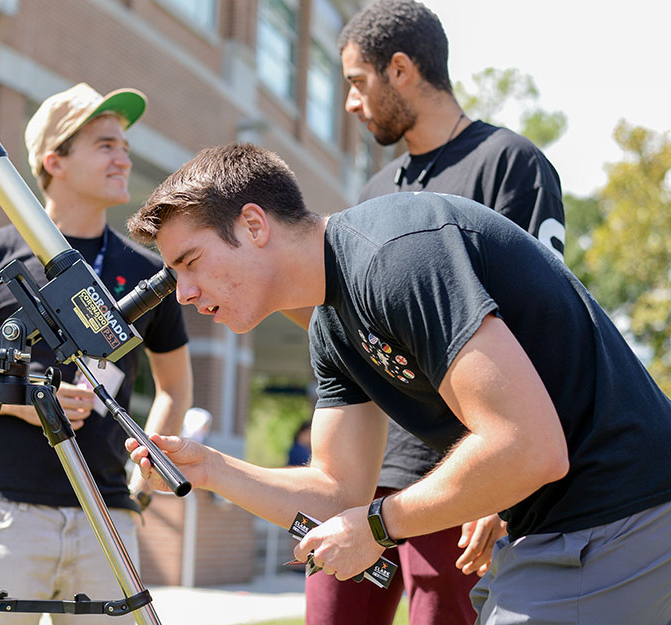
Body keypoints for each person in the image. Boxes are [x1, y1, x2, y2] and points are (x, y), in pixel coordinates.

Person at [124, 142, 671, 625]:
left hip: (623, 512)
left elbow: (527, 447)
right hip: (565, 526)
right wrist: (213, 469)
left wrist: (378, 527)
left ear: (253, 225)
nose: (184, 294)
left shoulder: (395, 256)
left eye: (190, 262)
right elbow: (338, 491)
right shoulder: (331, 325)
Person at [288, 2, 568, 623]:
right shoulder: (373, 191)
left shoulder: (510, 163)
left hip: (459, 477)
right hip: (365, 473)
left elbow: (542, 330)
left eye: (358, 83)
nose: (351, 105)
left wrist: (502, 486)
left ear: (402, 69)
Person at [0, 82, 193, 624]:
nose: (123, 156)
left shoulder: (146, 272)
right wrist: (20, 402)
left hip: (106, 514)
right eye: (105, 144)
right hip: (6, 515)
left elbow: (176, 386)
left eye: (125, 146)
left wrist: (145, 479)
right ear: (53, 161)